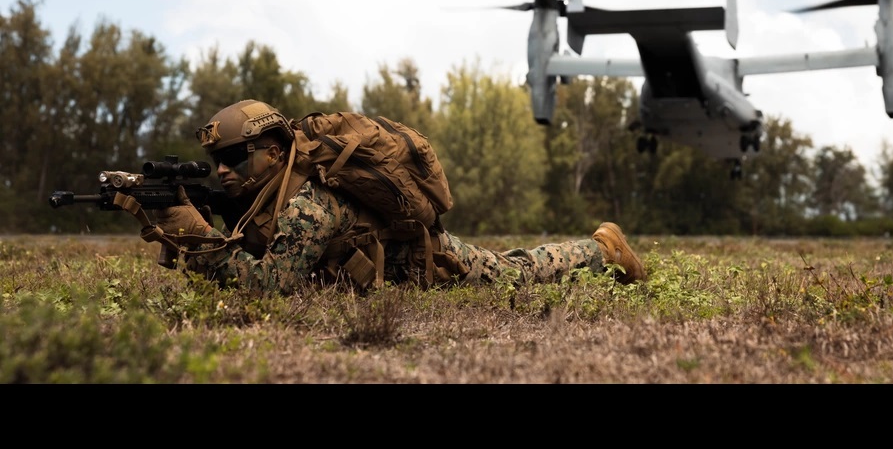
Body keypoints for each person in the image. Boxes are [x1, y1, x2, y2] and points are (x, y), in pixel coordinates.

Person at [141, 99, 647, 294]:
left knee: (515, 272)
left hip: (425, 260)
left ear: (273, 152)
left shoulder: (308, 202)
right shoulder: (267, 193)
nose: (224, 170)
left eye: (235, 158)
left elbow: (267, 283)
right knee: (512, 267)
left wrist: (190, 228)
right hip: (398, 258)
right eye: (217, 163)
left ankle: (602, 251)